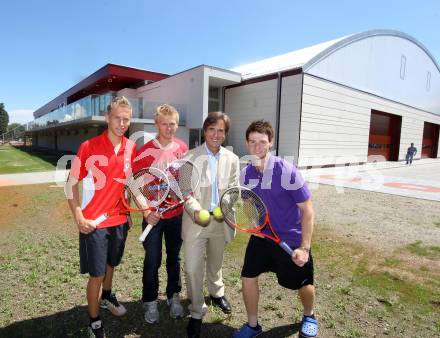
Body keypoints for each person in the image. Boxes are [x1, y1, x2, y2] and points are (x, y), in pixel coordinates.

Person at [233, 120, 317, 338]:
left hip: (291, 239)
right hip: (263, 237)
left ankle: (309, 315)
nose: (257, 147)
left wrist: (305, 248)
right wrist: (252, 220)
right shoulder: (246, 174)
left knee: (303, 283)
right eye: (253, 142)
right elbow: (250, 203)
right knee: (248, 277)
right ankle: (253, 325)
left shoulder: (287, 171)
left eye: (262, 142)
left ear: (271, 142)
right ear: (247, 143)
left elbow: (307, 211)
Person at [65, 96, 136, 338]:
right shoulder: (89, 146)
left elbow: (127, 183)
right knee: (96, 274)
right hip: (94, 224)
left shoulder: (131, 147)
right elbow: (70, 184)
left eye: (126, 119)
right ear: (108, 118)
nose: (122, 123)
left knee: (110, 265)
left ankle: (107, 296)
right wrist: (78, 216)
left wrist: (128, 209)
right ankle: (94, 321)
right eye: (118, 118)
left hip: (119, 221)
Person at [182, 111, 240, 338]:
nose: (216, 135)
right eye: (212, 129)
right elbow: (185, 191)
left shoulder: (233, 159)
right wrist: (195, 210)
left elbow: (234, 189)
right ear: (205, 131)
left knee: (216, 263)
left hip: (221, 220)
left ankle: (217, 293)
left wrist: (223, 206)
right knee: (192, 268)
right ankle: (197, 310)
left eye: (221, 131)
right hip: (196, 222)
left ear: (225, 134)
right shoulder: (189, 157)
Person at [132, 104, 188, 323]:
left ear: (177, 124)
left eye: (172, 124)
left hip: (176, 215)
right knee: (152, 260)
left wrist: (179, 196)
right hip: (152, 218)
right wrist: (147, 211)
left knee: (174, 258)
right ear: (156, 124)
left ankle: (174, 296)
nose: (168, 128)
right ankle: (151, 300)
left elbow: (184, 181)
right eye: (164, 124)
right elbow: (135, 185)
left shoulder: (182, 147)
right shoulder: (145, 150)